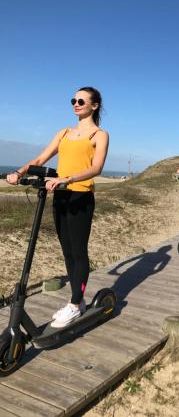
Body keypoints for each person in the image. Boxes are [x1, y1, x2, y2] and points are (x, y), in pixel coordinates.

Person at [7, 87, 109, 328]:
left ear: (94, 105)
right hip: (60, 196)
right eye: (73, 100)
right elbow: (41, 159)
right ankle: (78, 301)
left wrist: (68, 178)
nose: (75, 103)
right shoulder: (64, 132)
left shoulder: (99, 134)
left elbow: (96, 168)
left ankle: (74, 305)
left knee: (79, 250)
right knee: (67, 251)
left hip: (80, 196)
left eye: (81, 100)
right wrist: (19, 171)